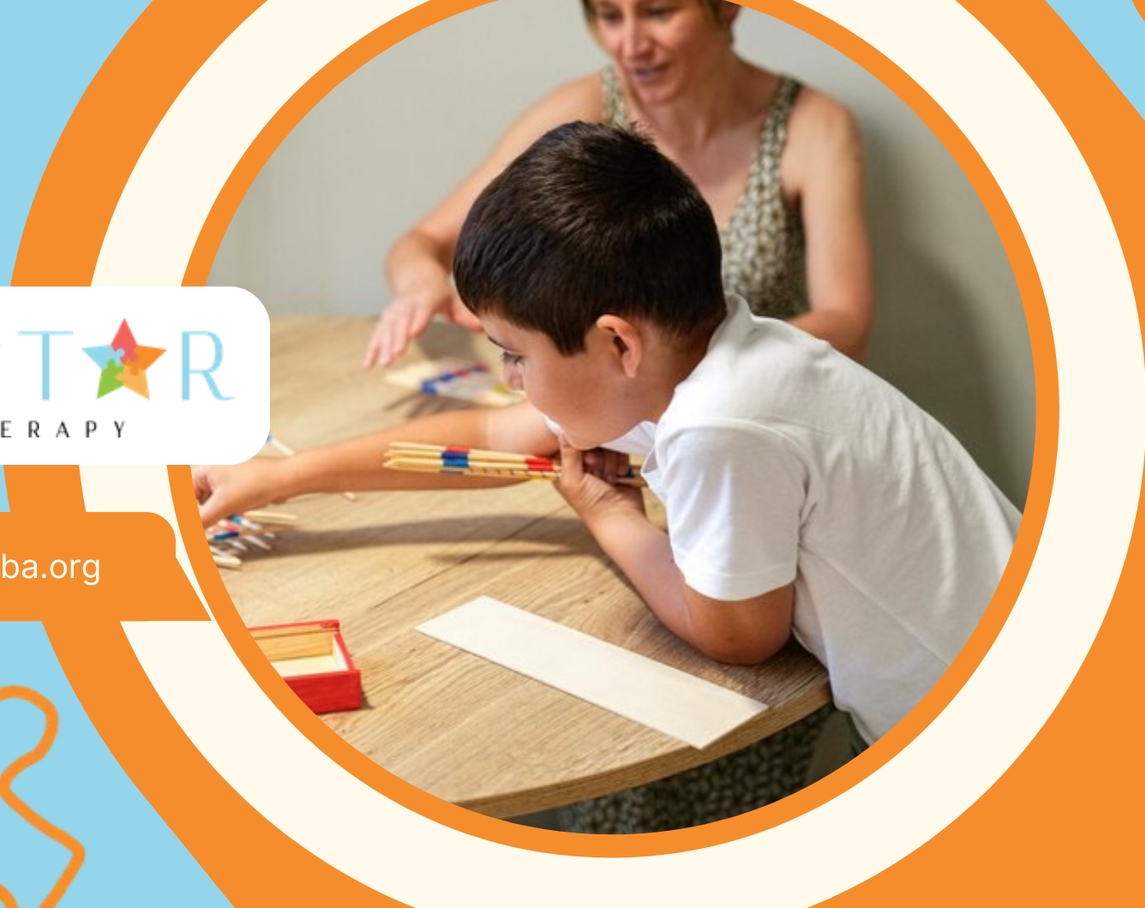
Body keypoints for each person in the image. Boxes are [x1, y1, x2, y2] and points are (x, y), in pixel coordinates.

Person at [198, 124, 1015, 803]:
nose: (513, 379)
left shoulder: (717, 426)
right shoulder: (726, 349)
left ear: (617, 341)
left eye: (514, 354)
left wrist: (605, 514)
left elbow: (735, 635)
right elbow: (488, 434)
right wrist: (277, 475)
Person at [363, 0, 872, 369]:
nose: (630, 44)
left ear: (727, 4)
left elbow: (846, 321)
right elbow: (422, 242)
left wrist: (689, 367)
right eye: (609, 16)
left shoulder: (811, 124)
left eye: (659, 12)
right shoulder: (581, 108)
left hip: (758, 402)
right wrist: (420, 283)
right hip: (608, 414)